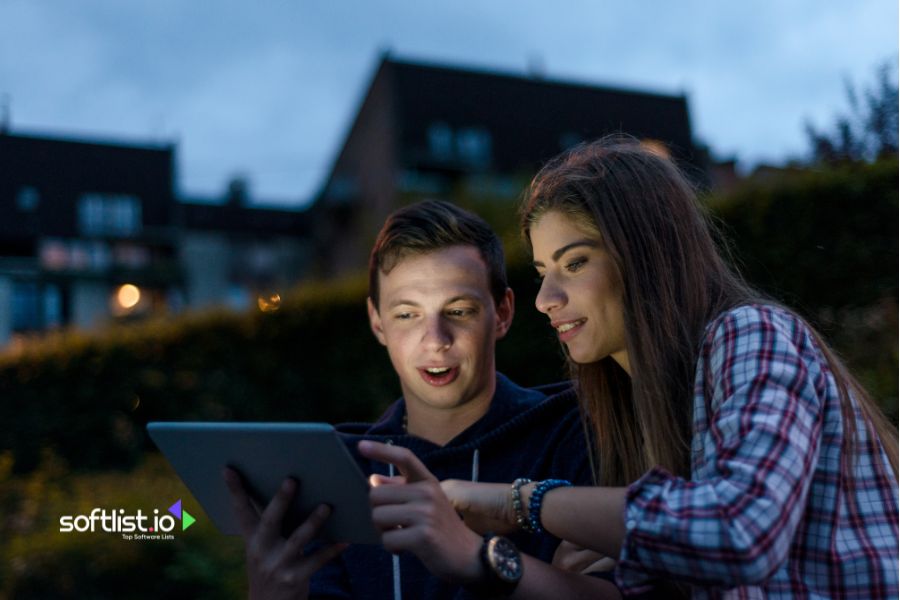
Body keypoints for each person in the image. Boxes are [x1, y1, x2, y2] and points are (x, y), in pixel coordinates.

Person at [432, 136, 899, 598]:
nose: (544, 300)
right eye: (541, 274)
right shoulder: (633, 408)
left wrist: (522, 502)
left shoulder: (751, 334)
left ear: (645, 252)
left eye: (574, 263)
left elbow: (742, 530)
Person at [224, 200, 619, 599]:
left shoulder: (576, 431)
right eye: (407, 315)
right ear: (377, 321)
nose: (435, 340)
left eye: (459, 311)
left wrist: (480, 556)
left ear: (502, 313)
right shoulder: (338, 470)